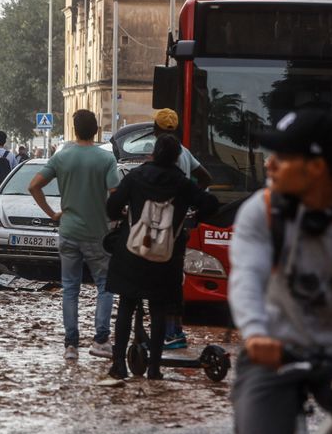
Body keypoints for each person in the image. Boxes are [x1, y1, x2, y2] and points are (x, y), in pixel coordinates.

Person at [229, 108, 332, 434]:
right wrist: (254, 333)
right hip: (272, 353)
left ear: (316, 167)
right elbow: (246, 280)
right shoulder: (262, 211)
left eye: (281, 156)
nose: (268, 165)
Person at [104, 135, 219, 380]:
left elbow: (112, 206)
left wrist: (127, 213)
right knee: (159, 308)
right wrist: (190, 218)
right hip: (166, 257)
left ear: (153, 153)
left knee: (126, 305)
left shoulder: (135, 177)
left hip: (131, 254)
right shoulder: (182, 184)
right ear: (178, 157)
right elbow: (211, 204)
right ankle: (154, 369)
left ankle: (118, 366)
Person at [29, 110, 120, 363]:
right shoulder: (106, 159)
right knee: (105, 285)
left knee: (70, 289)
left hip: (67, 230)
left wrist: (52, 214)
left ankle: (71, 346)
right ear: (96, 131)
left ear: (74, 129)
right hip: (97, 233)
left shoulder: (62, 156)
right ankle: (101, 340)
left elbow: (34, 185)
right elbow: (115, 191)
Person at [151, 108, 213, 350]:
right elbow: (205, 177)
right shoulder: (185, 152)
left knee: (161, 280)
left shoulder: (165, 155)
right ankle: (174, 330)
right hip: (180, 226)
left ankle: (169, 333)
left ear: (155, 129)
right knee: (175, 279)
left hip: (162, 226)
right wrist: (192, 205)